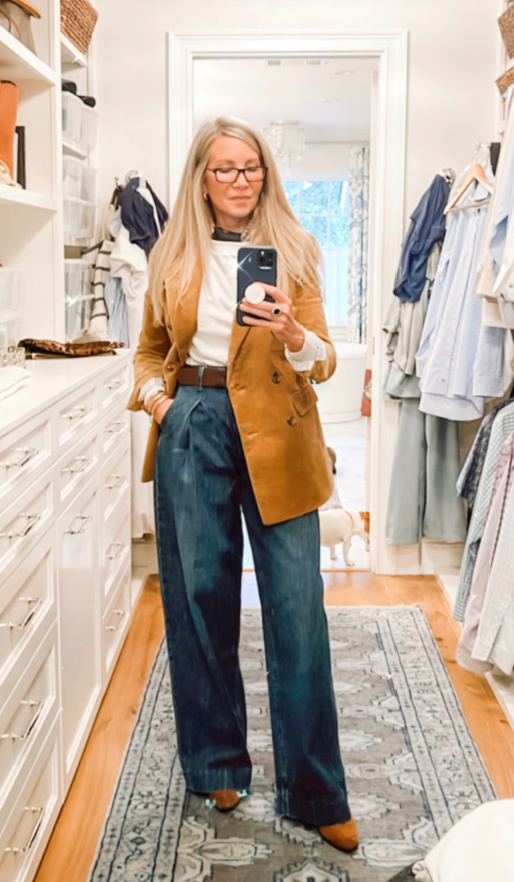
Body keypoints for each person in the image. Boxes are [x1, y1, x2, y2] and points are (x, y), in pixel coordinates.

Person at [128, 116, 358, 852]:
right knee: (200, 599)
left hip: (282, 429)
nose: (238, 181)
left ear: (267, 173)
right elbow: (147, 354)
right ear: (201, 177)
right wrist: (161, 403)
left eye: (251, 167)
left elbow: (322, 362)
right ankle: (217, 761)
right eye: (223, 169)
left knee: (297, 608)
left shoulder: (295, 249)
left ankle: (317, 790)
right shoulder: (172, 253)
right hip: (193, 422)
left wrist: (294, 333)